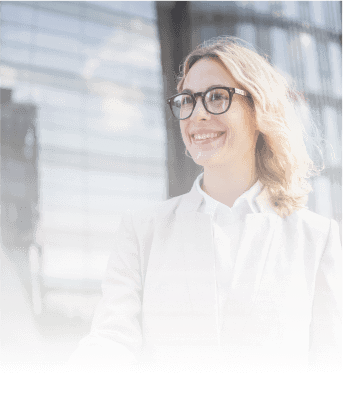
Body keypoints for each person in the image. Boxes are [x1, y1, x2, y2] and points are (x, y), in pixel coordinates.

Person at [65, 37, 342, 370]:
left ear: (259, 110)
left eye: (216, 97)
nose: (196, 115)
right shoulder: (143, 230)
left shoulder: (316, 236)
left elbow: (332, 354)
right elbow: (111, 338)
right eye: (187, 101)